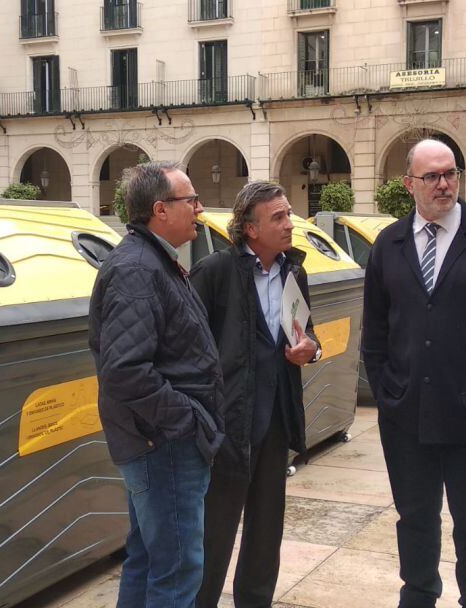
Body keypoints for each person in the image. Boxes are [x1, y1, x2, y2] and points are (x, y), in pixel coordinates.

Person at [362, 139, 466, 608]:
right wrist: (388, 393)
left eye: (450, 173)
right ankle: (419, 596)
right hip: (407, 416)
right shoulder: (388, 244)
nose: (444, 184)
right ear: (409, 183)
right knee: (415, 519)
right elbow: (376, 331)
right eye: (431, 176)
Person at [88, 160, 226, 608]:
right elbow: (125, 370)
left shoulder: (155, 261)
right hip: (163, 446)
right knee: (177, 569)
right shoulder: (138, 269)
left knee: (149, 558)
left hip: (158, 442)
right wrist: (186, 419)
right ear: (160, 210)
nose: (200, 208)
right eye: (191, 200)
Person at [191, 180, 320, 608]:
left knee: (267, 530)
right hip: (229, 423)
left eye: (289, 215)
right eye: (279, 217)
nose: (289, 225)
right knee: (215, 531)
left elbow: (307, 332)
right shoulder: (215, 272)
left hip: (276, 419)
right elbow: (191, 348)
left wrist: (311, 349)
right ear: (249, 228)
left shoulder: (292, 271)